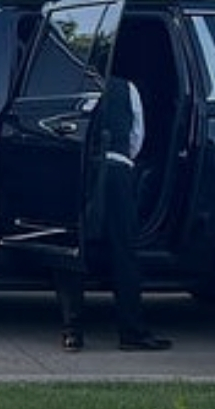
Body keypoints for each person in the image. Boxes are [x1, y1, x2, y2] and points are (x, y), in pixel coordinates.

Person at [57, 75, 172, 352]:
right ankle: (131, 331)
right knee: (124, 252)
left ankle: (72, 330)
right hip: (118, 169)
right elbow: (137, 136)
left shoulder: (63, 84)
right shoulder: (126, 88)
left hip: (78, 170)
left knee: (72, 249)